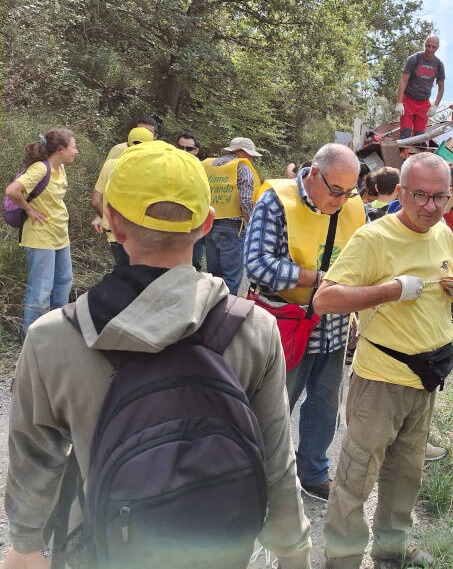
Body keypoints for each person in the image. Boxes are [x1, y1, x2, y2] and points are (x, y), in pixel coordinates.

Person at [3, 140, 312, 569]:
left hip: (107, 546)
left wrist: (26, 543)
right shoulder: (254, 327)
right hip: (218, 548)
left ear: (112, 221)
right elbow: (276, 455)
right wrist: (292, 548)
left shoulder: (54, 337)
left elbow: (35, 456)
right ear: (206, 224)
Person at [314, 152, 453, 568]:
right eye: (420, 195)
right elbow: (326, 298)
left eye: (440, 197)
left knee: (406, 476)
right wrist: (388, 290)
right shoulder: (374, 238)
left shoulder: (441, 231)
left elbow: (447, 277)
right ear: (401, 193)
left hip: (426, 378)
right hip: (380, 380)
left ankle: (391, 550)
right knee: (355, 479)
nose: (430, 206)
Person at [244, 143, 366, 503]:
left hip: (334, 327)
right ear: (313, 173)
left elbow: (361, 262)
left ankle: (312, 472)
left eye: (349, 192)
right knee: (275, 406)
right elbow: (258, 264)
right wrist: (319, 279)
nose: (342, 200)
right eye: (335, 191)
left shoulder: (354, 207)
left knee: (326, 407)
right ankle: (263, 478)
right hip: (286, 325)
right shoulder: (276, 202)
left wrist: (354, 308)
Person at [4, 129, 77, 335]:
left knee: (64, 281)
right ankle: (33, 336)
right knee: (41, 288)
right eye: (73, 147)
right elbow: (12, 190)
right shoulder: (40, 169)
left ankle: (54, 330)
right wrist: (29, 210)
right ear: (60, 150)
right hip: (40, 236)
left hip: (60, 235)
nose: (76, 151)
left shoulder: (60, 168)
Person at [202, 137, 261, 294]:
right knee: (231, 277)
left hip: (209, 224)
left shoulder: (210, 165)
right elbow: (245, 200)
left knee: (213, 275)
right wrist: (253, 224)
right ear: (241, 152)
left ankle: (208, 309)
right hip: (232, 229)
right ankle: (224, 313)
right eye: (250, 155)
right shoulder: (242, 168)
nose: (251, 159)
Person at [91, 126, 156, 266]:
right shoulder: (153, 169)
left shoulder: (110, 165)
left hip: (114, 234)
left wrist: (104, 217)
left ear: (127, 144)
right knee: (141, 278)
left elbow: (96, 201)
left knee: (123, 275)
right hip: (142, 235)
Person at [396, 35, 445, 139]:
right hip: (408, 101)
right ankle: (403, 154)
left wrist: (435, 105)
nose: (430, 49)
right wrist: (399, 102)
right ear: (425, 44)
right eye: (428, 46)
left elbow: (441, 88)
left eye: (433, 47)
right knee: (405, 134)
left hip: (423, 104)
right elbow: (403, 80)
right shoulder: (414, 59)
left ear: (437, 48)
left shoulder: (439, 64)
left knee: (419, 138)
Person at [176, 132, 205, 270]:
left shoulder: (203, 168)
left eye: (189, 149)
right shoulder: (168, 165)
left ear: (196, 150)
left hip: (194, 221)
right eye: (181, 147)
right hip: (172, 220)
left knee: (194, 262)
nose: (184, 152)